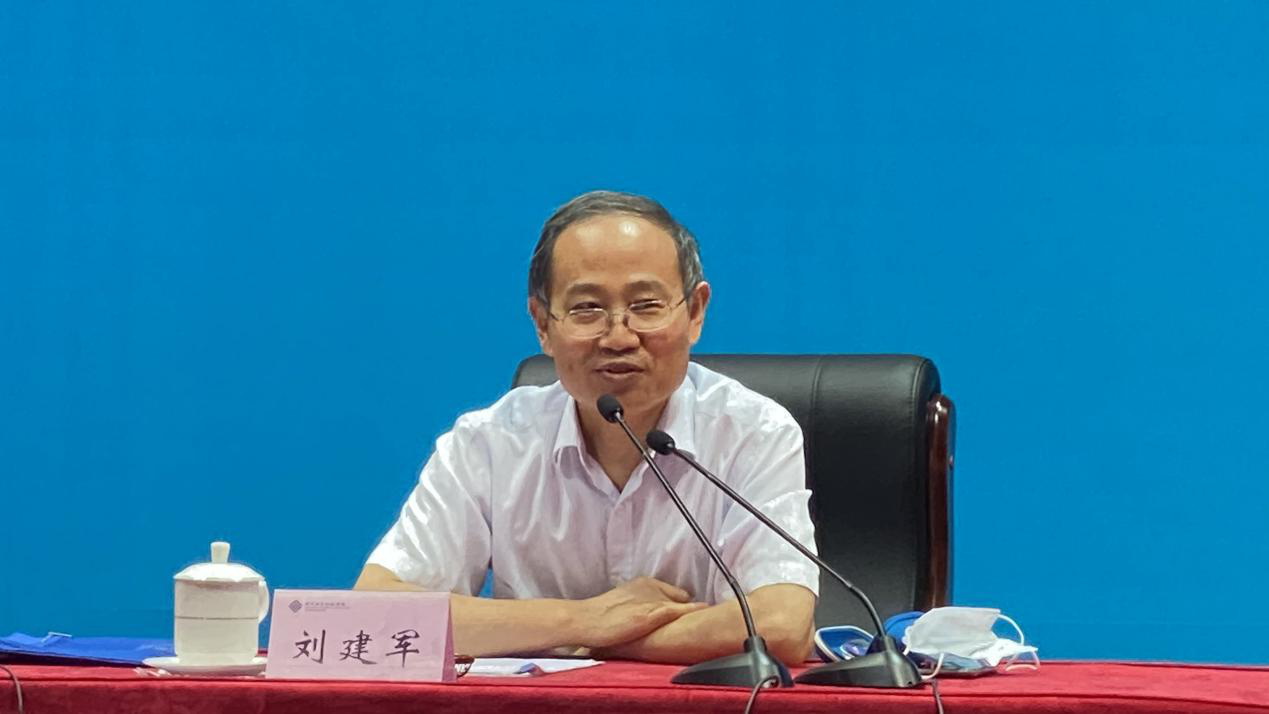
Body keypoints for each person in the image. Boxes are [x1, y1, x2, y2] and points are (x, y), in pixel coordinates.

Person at [355, 190, 819, 666]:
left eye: (646, 305)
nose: (619, 337)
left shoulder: (751, 433)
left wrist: (596, 640)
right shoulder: (489, 443)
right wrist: (583, 620)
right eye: (587, 310)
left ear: (695, 312)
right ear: (542, 324)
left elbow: (780, 627)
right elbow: (373, 615)